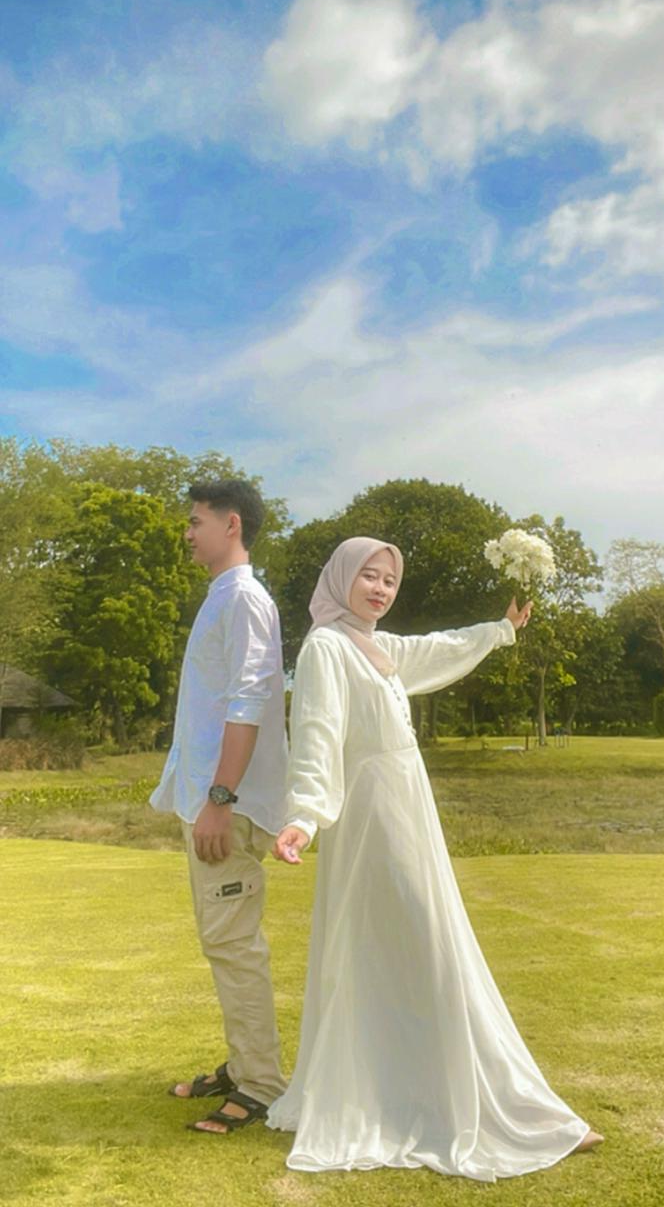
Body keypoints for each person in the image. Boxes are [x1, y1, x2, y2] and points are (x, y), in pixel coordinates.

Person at [263, 536, 603, 1180]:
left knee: (422, 942)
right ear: (340, 577)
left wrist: (501, 629)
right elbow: (316, 735)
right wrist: (303, 817)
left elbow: (439, 648)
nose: (381, 589)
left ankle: (441, 1093)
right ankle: (436, 1100)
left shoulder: (378, 647)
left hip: (407, 808)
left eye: (390, 581)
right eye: (369, 575)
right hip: (371, 817)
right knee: (418, 942)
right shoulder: (326, 647)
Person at [150, 478, 288, 1134]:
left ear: (231, 525)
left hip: (226, 804)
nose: (187, 532)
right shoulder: (225, 598)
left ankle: (260, 1085)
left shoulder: (245, 599)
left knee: (233, 944)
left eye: (196, 520)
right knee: (223, 941)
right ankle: (243, 1066)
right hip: (212, 799)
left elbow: (250, 700)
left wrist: (221, 799)